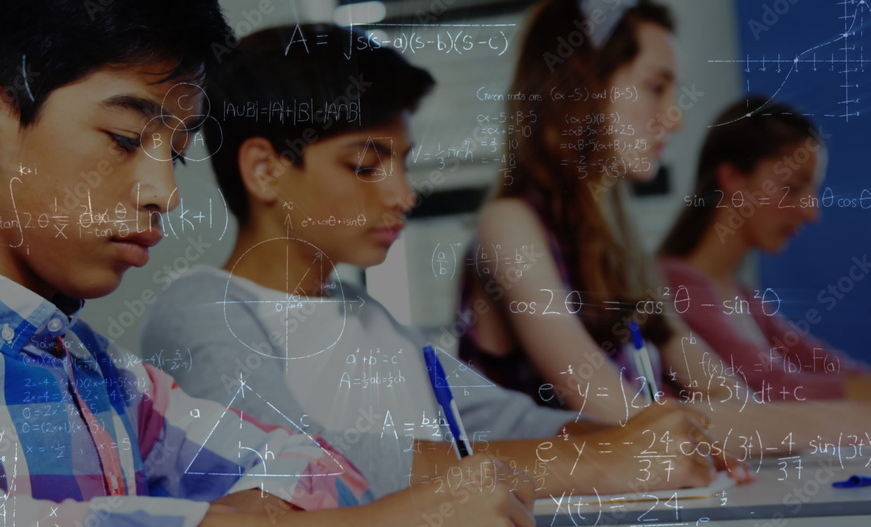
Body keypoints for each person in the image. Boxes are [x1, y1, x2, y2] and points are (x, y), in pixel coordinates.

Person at [0, 2, 538, 526]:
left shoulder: (110, 376)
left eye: (178, 150)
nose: (165, 191)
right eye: (126, 139)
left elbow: (323, 471)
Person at [141, 23, 750, 502]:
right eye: (365, 165)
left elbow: (505, 419)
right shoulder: (200, 310)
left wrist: (645, 440)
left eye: (405, 162)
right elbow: (297, 463)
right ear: (265, 169)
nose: (403, 195)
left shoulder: (365, 316)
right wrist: (596, 461)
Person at [457, 0, 871, 443]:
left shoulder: (622, 252)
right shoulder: (509, 227)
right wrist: (847, 423)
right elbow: (627, 417)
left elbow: (727, 396)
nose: (675, 117)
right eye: (656, 88)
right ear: (580, 88)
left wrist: (842, 424)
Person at [657, 97, 871, 400]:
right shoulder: (677, 285)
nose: (811, 212)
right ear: (732, 177)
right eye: (793, 188)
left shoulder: (741, 298)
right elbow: (772, 387)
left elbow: (825, 364)